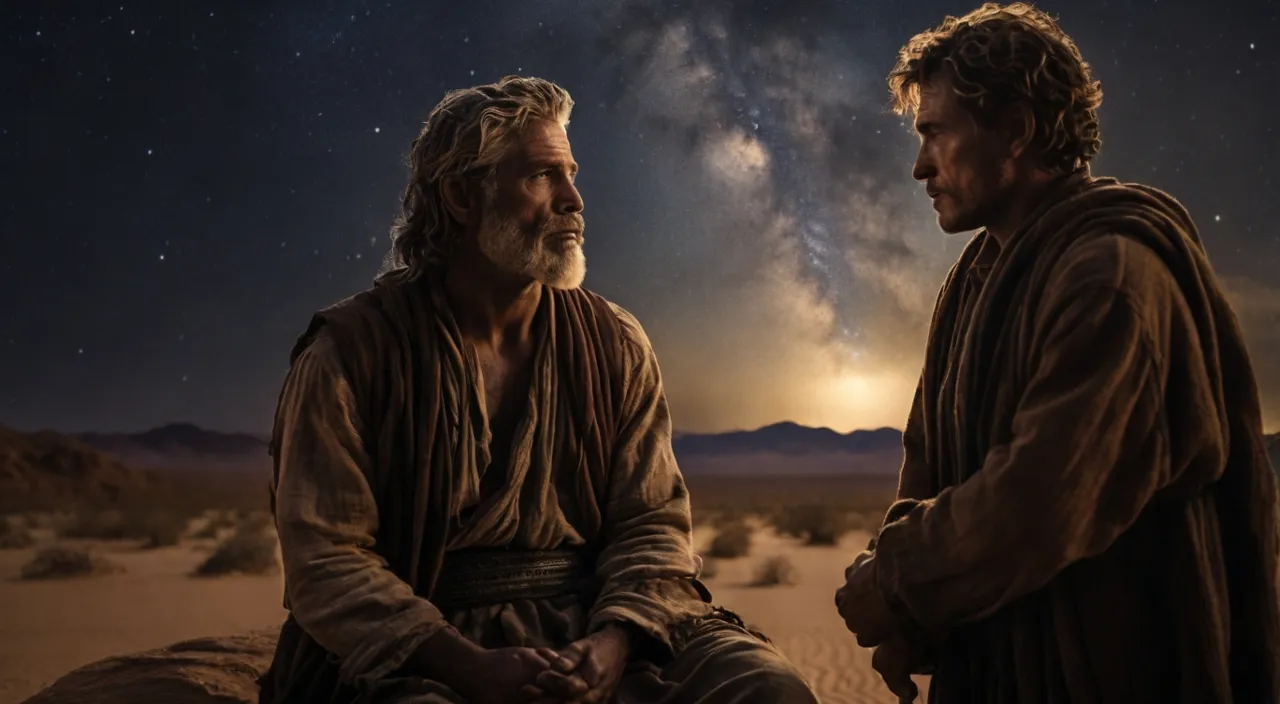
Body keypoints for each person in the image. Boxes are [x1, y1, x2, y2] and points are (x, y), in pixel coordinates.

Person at [256, 75, 818, 704]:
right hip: (428, 648)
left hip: (601, 628)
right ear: (463, 197)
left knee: (764, 687)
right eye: (541, 177)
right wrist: (470, 668)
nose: (574, 200)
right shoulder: (351, 353)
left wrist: (610, 646)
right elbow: (327, 560)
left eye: (572, 175)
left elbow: (652, 525)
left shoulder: (615, 342)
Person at [834, 4, 1280, 703]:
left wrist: (898, 581)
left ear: (1015, 131)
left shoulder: (1114, 276)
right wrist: (912, 622)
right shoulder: (973, 282)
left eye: (936, 133)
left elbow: (1041, 499)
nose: (919, 167)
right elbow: (925, 465)